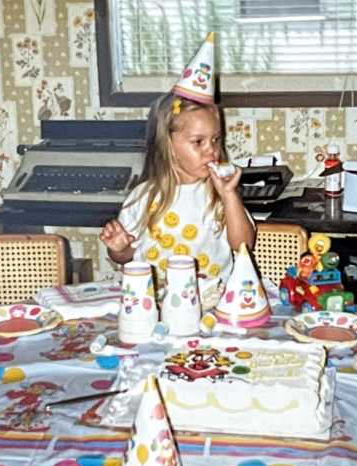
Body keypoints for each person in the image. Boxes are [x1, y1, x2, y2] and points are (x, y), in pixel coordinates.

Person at [99, 34, 254, 306]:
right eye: (198, 142)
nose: (211, 150)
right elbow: (125, 258)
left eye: (215, 140)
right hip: (156, 305)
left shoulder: (217, 195)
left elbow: (243, 246)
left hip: (214, 304)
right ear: (169, 145)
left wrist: (230, 196)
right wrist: (120, 249)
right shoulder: (143, 197)